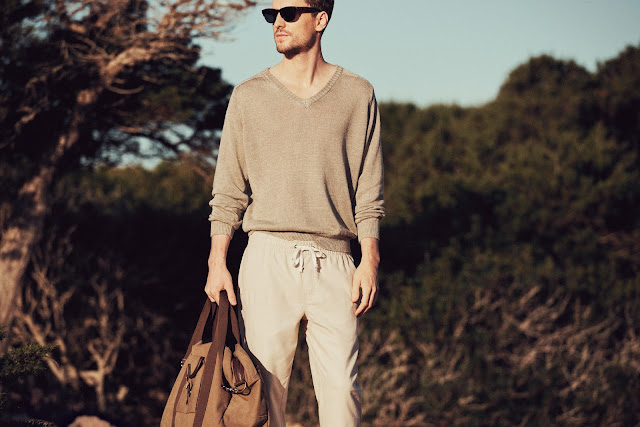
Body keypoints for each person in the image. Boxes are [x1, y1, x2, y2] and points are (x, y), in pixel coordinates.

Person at [204, 0, 384, 425]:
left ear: (321, 19)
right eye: (272, 15)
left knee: (342, 393)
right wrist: (217, 262)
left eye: (289, 12)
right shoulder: (248, 96)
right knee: (263, 398)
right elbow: (228, 191)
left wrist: (369, 260)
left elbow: (369, 191)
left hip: (336, 262)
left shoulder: (358, 94)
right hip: (267, 258)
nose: (278, 23)